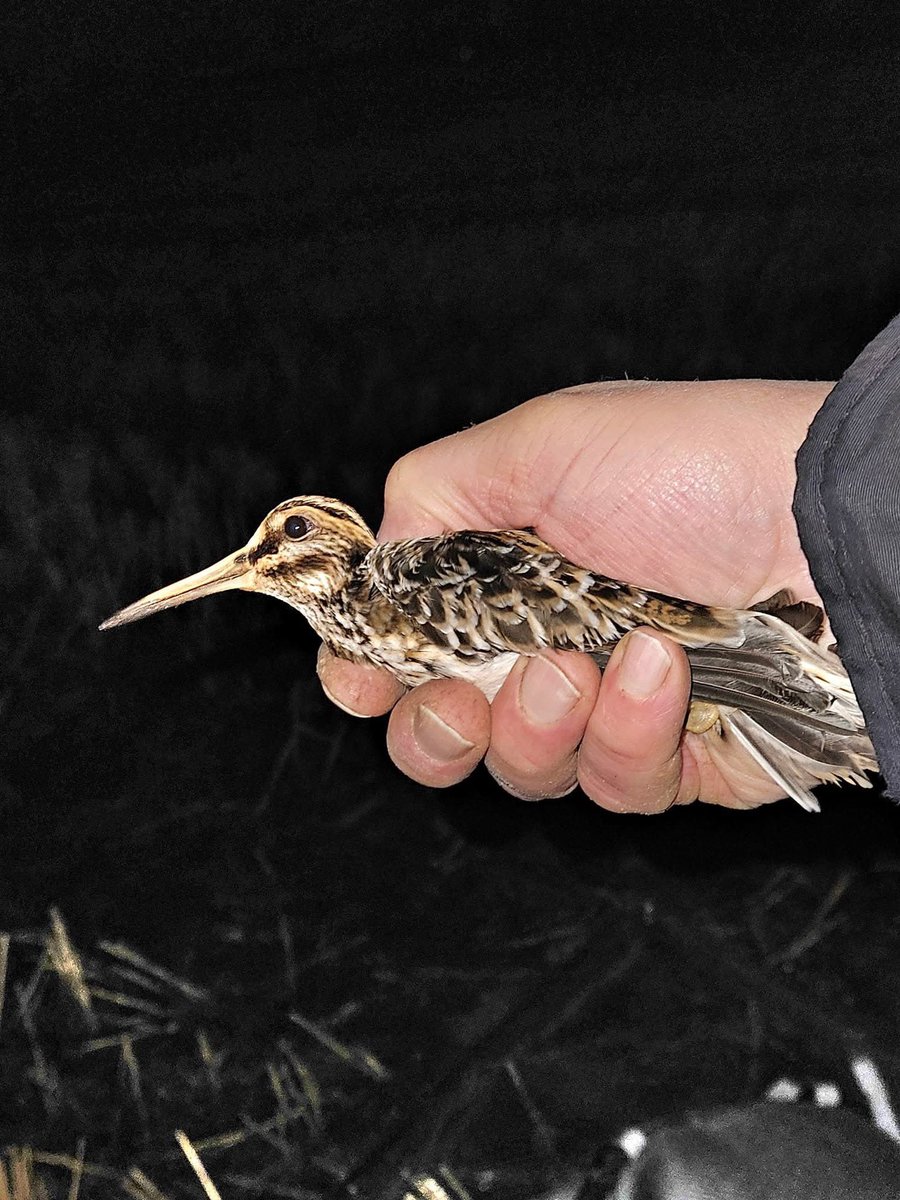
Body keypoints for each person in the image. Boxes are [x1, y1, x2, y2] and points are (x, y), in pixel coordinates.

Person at [319, 313, 900, 813]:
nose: (252, 562)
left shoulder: (413, 582)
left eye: (289, 534)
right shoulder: (383, 623)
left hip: (703, 635)